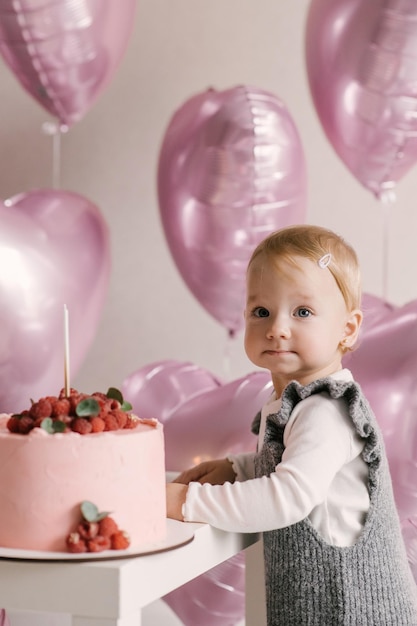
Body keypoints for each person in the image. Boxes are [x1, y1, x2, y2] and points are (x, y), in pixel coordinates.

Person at [166, 224, 417, 625]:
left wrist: (183, 503)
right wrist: (240, 468)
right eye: (261, 312)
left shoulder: (326, 410)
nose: (276, 327)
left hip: (352, 613)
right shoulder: (294, 401)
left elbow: (289, 496)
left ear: (347, 330)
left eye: (302, 312)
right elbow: (306, 472)